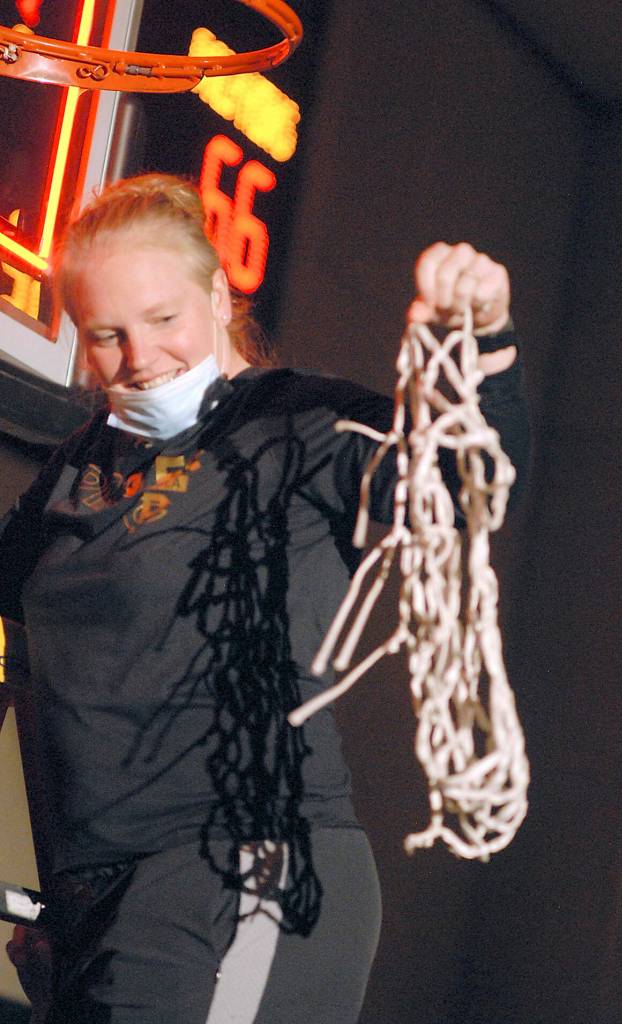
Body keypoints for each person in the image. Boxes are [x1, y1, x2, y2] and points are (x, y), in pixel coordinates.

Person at [1, 173, 529, 1024]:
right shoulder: (77, 467)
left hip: (245, 872)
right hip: (96, 901)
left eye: (164, 320)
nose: (139, 359)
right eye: (106, 335)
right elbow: (20, 650)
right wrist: (68, 898)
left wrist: (483, 351)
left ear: (217, 294)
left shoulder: (301, 427)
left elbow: (464, 484)